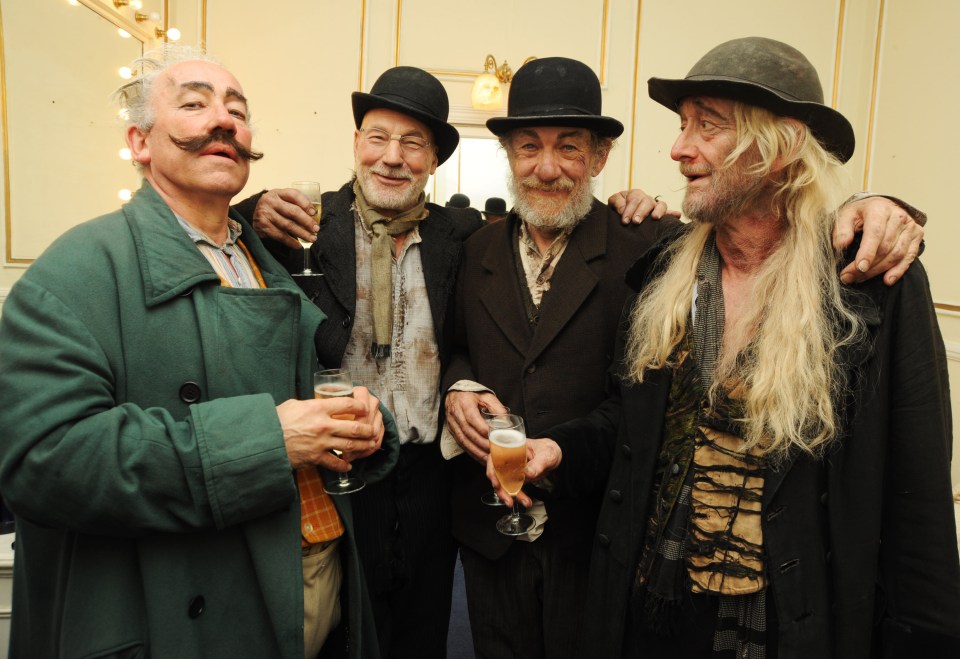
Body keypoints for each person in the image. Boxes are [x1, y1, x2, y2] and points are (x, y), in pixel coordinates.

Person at [441, 56, 930, 659]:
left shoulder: (862, 280)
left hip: (785, 622)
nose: (677, 148)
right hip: (648, 605)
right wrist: (557, 448)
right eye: (682, 124)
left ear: (780, 147)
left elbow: (917, 501)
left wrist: (882, 203)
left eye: (708, 126)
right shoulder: (669, 270)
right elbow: (632, 421)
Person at [235, 66, 671, 659]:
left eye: (413, 143)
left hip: (447, 487)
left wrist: (641, 201)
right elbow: (220, 235)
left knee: (423, 631)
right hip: (339, 473)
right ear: (356, 143)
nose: (392, 158)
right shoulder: (305, 226)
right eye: (377, 137)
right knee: (342, 634)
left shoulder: (458, 235)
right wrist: (253, 207)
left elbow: (465, 338)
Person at [0, 46, 398, 659]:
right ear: (139, 143)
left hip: (302, 582)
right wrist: (271, 439)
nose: (224, 120)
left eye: (237, 110)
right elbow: (44, 462)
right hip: (175, 615)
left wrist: (357, 429)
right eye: (193, 103)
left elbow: (289, 403)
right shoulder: (76, 270)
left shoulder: (263, 265)